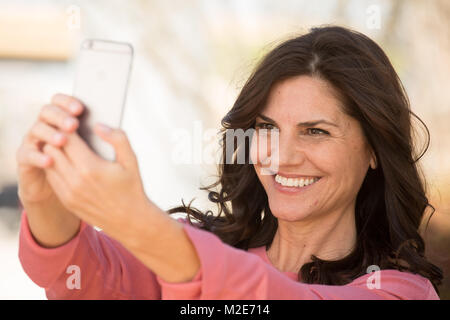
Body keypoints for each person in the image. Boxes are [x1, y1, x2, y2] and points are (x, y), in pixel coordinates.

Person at [17, 25, 443, 299]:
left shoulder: (396, 290)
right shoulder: (195, 248)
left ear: (373, 149)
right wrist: (44, 198)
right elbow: (81, 275)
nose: (282, 156)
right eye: (266, 128)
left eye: (316, 131)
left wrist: (134, 218)